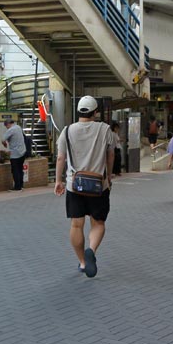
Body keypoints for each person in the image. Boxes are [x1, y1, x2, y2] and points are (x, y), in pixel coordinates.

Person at [55, 95, 115, 278]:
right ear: (95, 112)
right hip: (99, 185)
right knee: (98, 223)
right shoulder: (105, 130)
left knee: (76, 224)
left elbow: (60, 158)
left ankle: (82, 262)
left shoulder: (67, 131)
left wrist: (58, 181)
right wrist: (109, 176)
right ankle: (91, 250)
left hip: (75, 185)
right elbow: (111, 155)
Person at [1, 119, 26, 191]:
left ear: (8, 124)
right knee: (20, 169)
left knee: (15, 170)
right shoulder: (18, 127)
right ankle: (21, 185)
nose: (7, 128)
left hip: (15, 154)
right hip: (22, 152)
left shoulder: (11, 130)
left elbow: (3, 139)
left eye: (6, 126)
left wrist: (5, 144)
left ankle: (17, 187)